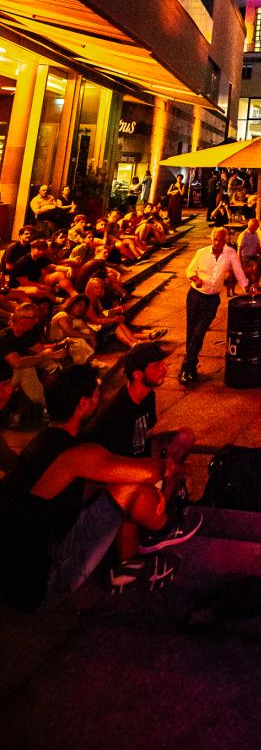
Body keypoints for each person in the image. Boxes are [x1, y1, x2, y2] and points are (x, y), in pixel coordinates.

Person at [0, 365, 198, 608]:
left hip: (14, 579)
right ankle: (165, 529)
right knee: (131, 486)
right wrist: (167, 465)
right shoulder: (78, 453)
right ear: (83, 403)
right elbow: (150, 472)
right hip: (43, 583)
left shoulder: (41, 444)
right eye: (96, 394)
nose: (101, 399)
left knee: (114, 489)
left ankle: (130, 563)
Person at [89, 343, 196, 520]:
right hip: (119, 470)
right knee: (173, 471)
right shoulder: (118, 412)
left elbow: (146, 434)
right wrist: (167, 466)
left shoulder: (148, 395)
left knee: (185, 436)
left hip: (138, 455)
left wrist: (165, 455)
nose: (164, 369)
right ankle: (159, 522)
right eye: (156, 366)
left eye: (163, 363)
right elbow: (120, 462)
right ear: (138, 374)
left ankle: (164, 500)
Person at [180, 227, 248, 384]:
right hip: (196, 296)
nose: (217, 243)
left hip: (212, 300)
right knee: (191, 332)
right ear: (211, 239)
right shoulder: (202, 253)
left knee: (199, 332)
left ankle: (186, 367)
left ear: (226, 240)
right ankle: (190, 366)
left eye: (221, 240)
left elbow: (239, 273)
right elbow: (190, 270)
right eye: (215, 239)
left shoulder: (230, 253)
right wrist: (195, 278)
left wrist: (247, 287)